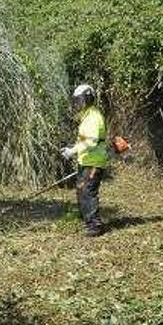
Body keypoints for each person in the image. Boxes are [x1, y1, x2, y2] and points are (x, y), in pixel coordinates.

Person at [61, 84, 109, 237]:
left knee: (88, 192)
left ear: (88, 99)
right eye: (76, 100)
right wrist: (72, 148)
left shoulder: (94, 117)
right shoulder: (86, 115)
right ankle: (87, 219)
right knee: (82, 190)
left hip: (94, 162)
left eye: (80, 100)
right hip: (86, 161)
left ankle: (95, 226)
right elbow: (83, 140)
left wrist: (72, 151)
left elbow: (91, 142)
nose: (78, 103)